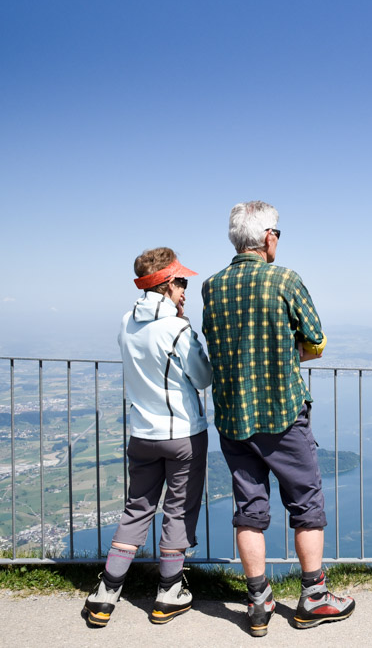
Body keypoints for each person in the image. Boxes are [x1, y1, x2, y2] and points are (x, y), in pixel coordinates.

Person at [201, 201, 354, 637]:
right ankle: (314, 598)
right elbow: (317, 340)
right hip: (282, 413)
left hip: (233, 417)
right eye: (279, 234)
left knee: (249, 508)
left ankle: (257, 601)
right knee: (306, 502)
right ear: (268, 237)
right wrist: (288, 355)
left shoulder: (212, 287)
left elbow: (216, 344)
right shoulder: (284, 279)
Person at [83, 248, 213, 627]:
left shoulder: (126, 322)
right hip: (183, 434)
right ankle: (168, 592)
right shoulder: (177, 328)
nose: (186, 289)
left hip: (141, 433)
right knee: (178, 509)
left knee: (136, 508)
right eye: (182, 282)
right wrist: (188, 329)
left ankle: (106, 592)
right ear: (167, 283)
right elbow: (202, 378)